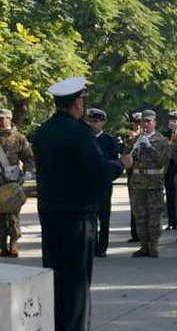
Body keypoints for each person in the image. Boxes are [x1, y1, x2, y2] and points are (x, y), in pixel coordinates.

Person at [34, 77, 132, 331]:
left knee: (54, 280)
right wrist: (121, 164)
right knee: (76, 286)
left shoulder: (43, 132)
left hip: (50, 215)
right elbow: (99, 171)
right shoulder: (80, 132)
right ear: (77, 103)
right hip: (77, 218)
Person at [128, 110, 170, 258]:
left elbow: (163, 161)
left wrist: (150, 148)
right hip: (138, 183)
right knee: (140, 216)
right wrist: (134, 146)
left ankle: (153, 246)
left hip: (154, 184)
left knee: (153, 217)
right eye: (144, 121)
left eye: (149, 121)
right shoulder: (136, 139)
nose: (146, 124)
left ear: (154, 122)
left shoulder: (162, 140)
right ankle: (143, 246)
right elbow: (127, 160)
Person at [84, 108, 121, 258]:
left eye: (97, 121)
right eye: (91, 121)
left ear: (102, 123)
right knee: (89, 217)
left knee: (104, 216)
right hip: (87, 184)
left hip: (104, 184)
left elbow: (115, 163)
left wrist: (109, 177)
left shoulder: (109, 140)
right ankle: (91, 246)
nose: (94, 124)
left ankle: (102, 247)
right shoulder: (84, 138)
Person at [0, 108, 35, 258]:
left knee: (13, 214)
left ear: (10, 118)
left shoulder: (19, 138)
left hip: (13, 181)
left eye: (3, 118)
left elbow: (28, 157)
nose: (0, 121)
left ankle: (14, 243)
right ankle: (2, 245)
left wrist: (27, 172)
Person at [163, 111, 177, 232]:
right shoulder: (165, 133)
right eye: (172, 119)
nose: (175, 121)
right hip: (169, 167)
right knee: (170, 195)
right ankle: (172, 222)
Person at [126, 111, 143, 244]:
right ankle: (135, 233)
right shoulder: (130, 138)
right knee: (134, 205)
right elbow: (125, 157)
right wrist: (130, 142)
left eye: (140, 123)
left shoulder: (148, 137)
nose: (137, 126)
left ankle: (146, 234)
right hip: (133, 176)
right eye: (135, 123)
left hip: (146, 176)